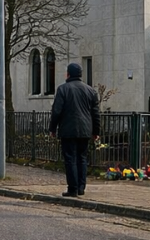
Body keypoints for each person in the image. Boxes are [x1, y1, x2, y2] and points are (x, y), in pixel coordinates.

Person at [49, 62, 101, 197]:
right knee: (82, 158)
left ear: (68, 74)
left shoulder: (63, 89)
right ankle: (81, 187)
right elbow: (96, 113)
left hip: (68, 129)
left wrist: (52, 128)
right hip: (85, 130)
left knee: (70, 158)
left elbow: (56, 111)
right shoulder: (90, 90)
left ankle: (72, 188)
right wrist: (96, 131)